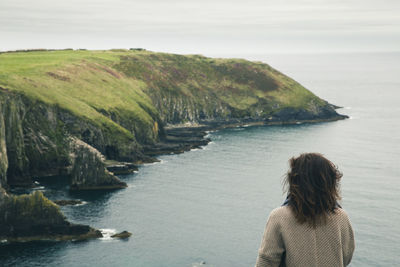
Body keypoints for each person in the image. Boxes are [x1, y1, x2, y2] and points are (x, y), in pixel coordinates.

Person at [255, 153, 355, 267]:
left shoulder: (279, 217)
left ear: (295, 181)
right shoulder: (341, 217)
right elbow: (346, 256)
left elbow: (267, 261)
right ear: (329, 183)